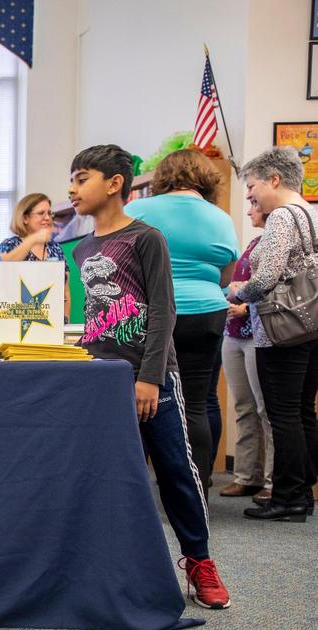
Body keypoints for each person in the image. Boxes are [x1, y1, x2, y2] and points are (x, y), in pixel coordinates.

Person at [68, 144, 231, 609]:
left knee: (177, 471)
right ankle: (115, 567)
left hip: (152, 377)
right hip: (102, 379)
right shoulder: (82, 248)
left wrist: (150, 379)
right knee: (115, 475)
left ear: (114, 183)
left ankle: (199, 562)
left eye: (82, 178)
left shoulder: (146, 238)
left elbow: (162, 310)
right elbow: (96, 317)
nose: (72, 188)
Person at [126, 150, 239, 493]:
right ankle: (198, 487)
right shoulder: (220, 217)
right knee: (199, 400)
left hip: (154, 316)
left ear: (163, 176)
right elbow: (226, 276)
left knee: (141, 400)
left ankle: (137, 490)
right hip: (207, 314)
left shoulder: (138, 210)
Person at [230, 146, 318, 523]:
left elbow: (266, 278)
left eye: (252, 187)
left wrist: (239, 291)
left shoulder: (282, 216)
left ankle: (288, 499)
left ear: (274, 180)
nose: (251, 196)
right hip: (310, 327)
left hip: (282, 332)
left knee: (283, 415)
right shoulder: (312, 213)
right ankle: (301, 492)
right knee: (302, 413)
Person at [219, 203, 274, 503]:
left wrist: (245, 304)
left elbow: (270, 288)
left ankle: (271, 480)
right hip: (233, 333)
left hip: (258, 333)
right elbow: (235, 285)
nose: (249, 208)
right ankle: (246, 476)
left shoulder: (275, 245)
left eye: (253, 204)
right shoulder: (253, 242)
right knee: (243, 407)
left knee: (265, 408)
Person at [0, 192, 70, 316]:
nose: (47, 218)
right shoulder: (9, 244)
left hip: (52, 322)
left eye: (49, 213)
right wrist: (33, 239)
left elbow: (65, 292)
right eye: (41, 213)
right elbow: (0, 269)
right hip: (16, 321)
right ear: (25, 218)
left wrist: (65, 321)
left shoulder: (56, 248)